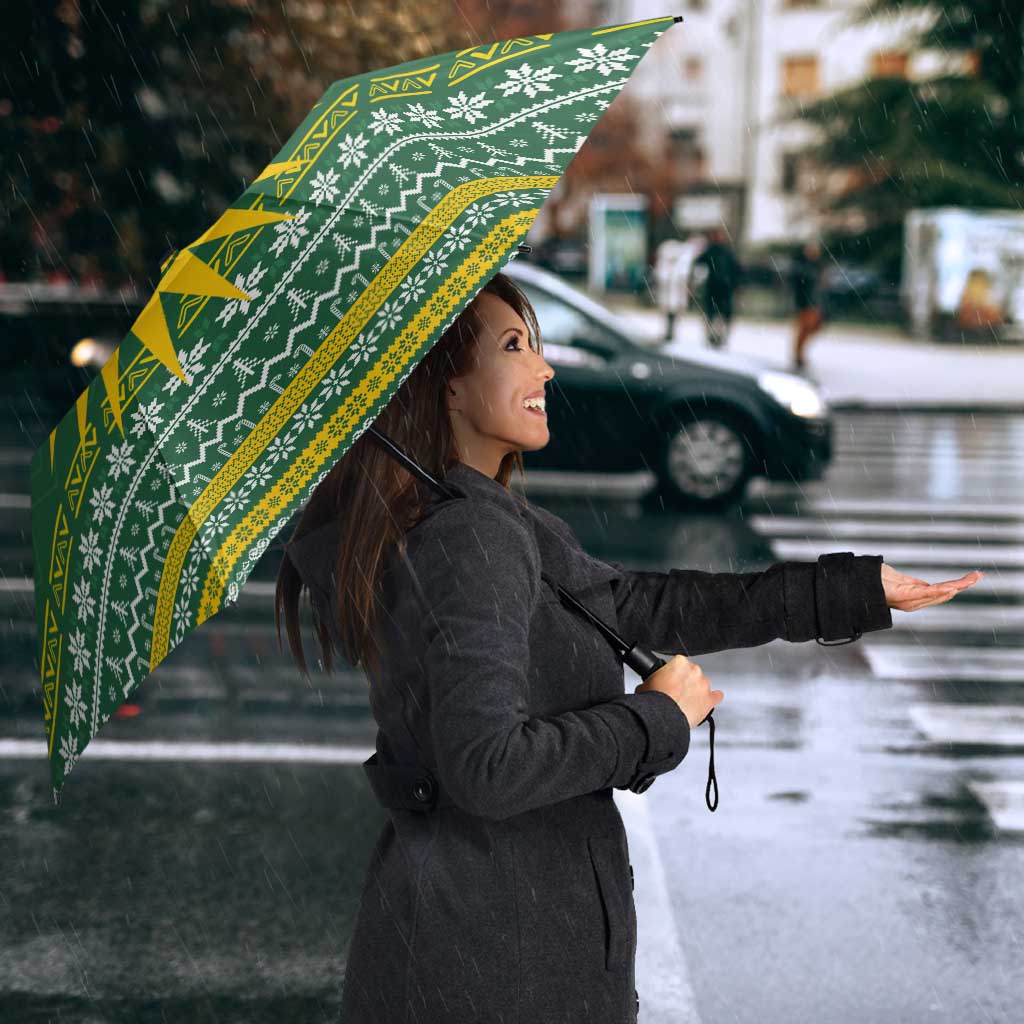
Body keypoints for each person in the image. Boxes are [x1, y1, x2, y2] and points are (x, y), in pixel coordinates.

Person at [276, 271, 976, 1024]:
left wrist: (850, 591)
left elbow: (640, 605)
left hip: (482, 943)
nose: (544, 368)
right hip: (498, 963)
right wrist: (656, 719)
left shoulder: (477, 518)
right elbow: (487, 768)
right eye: (514, 346)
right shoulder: (469, 537)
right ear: (445, 385)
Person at [692, 226, 742, 349]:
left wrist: (735, 284)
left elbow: (736, 270)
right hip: (715, 288)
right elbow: (698, 264)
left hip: (723, 288)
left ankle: (719, 337)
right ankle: (713, 337)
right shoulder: (712, 251)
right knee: (713, 314)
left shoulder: (725, 252)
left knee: (720, 315)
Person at [790, 240, 826, 371]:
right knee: (804, 329)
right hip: (805, 303)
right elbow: (799, 286)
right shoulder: (802, 267)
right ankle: (798, 355)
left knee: (813, 328)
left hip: (814, 303)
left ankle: (800, 354)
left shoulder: (817, 266)